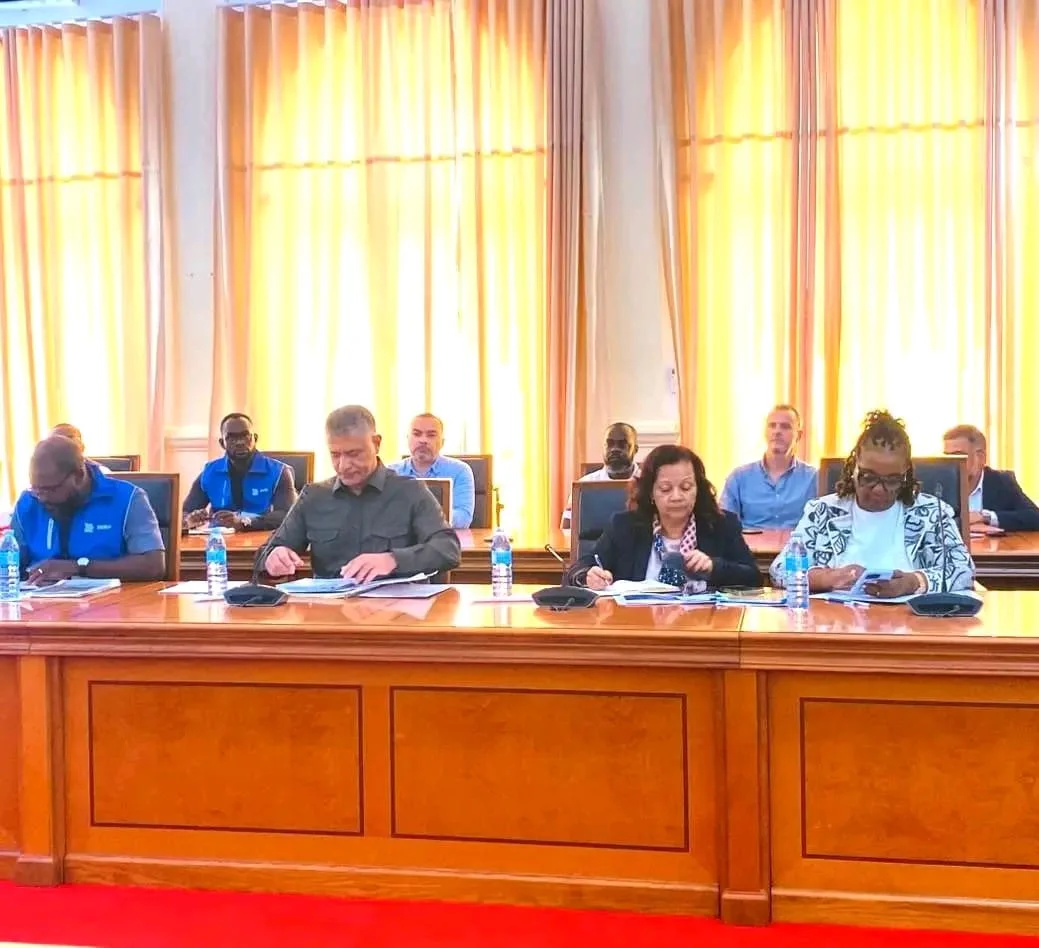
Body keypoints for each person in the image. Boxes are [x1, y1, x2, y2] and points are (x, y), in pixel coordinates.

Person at [772, 411, 974, 596]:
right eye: (868, 477)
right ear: (854, 468)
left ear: (905, 476)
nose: (878, 489)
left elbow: (963, 571)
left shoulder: (930, 513)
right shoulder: (822, 512)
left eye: (892, 480)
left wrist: (913, 582)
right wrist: (828, 578)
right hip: (837, 619)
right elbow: (780, 570)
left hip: (908, 621)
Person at [260, 405, 461, 581]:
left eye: (353, 454)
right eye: (335, 455)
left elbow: (448, 549)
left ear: (376, 443)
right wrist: (273, 557)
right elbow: (266, 552)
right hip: (330, 608)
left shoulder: (410, 492)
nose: (343, 465)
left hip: (396, 607)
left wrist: (393, 560)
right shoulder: (314, 497)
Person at [564, 444, 760, 591]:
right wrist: (588, 576)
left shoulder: (721, 525)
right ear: (650, 492)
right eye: (665, 489)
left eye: (686, 487)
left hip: (702, 627)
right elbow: (577, 570)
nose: (677, 496)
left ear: (698, 489)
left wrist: (713, 567)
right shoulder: (625, 527)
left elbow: (754, 578)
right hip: (638, 625)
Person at [11, 436, 166, 583]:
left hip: (112, 599)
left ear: (79, 475)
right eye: (36, 489)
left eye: (50, 489)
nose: (42, 498)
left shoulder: (128, 499)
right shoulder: (28, 502)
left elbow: (153, 566)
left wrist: (77, 567)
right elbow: (9, 562)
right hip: (38, 598)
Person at [182, 413, 297, 532]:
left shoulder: (279, 472)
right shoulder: (209, 472)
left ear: (255, 439)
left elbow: (288, 515)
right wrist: (189, 520)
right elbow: (184, 513)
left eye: (245, 436)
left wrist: (244, 522)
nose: (239, 443)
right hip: (219, 539)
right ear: (222, 443)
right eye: (231, 438)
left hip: (261, 537)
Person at [719, 405, 818, 529]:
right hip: (749, 541)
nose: (777, 431)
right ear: (765, 432)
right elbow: (724, 526)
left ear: (798, 435)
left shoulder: (814, 478)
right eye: (772, 425)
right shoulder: (738, 478)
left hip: (797, 541)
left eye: (785, 426)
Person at [942, 424, 1039, 533]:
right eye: (947, 456)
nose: (950, 462)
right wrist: (961, 526)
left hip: (989, 544)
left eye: (958, 456)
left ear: (981, 457)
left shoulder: (1001, 482)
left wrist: (984, 517)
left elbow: (1034, 517)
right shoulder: (938, 484)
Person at [387, 414, 475, 529]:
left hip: (443, 537)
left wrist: (414, 518)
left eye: (431, 435)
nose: (423, 440)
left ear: (442, 442)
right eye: (417, 434)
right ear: (408, 439)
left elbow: (463, 518)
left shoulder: (460, 471)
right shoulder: (390, 472)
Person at [560, 422, 641, 529]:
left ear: (635, 449)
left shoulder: (649, 483)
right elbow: (566, 528)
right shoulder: (584, 485)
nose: (615, 449)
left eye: (622, 444)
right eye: (610, 444)